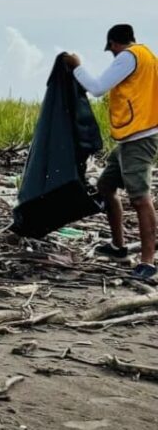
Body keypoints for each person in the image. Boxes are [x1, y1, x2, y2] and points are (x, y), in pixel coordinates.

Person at [65, 24, 158, 279]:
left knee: (140, 198)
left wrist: (76, 65)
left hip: (140, 138)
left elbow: (97, 87)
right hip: (131, 138)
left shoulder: (130, 56)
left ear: (115, 44)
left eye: (112, 49)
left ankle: (148, 263)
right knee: (106, 185)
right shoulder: (148, 57)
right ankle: (119, 247)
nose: (113, 54)